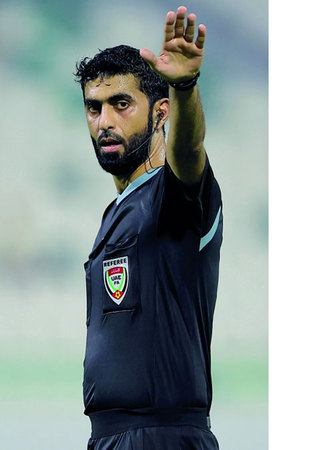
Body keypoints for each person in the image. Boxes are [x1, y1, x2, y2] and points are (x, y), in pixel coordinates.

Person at [74, 5, 223, 449]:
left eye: (121, 104)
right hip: (110, 436)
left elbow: (189, 150)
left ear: (160, 113)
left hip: (164, 436)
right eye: (94, 108)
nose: (105, 122)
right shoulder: (118, 211)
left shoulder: (173, 196)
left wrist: (184, 87)